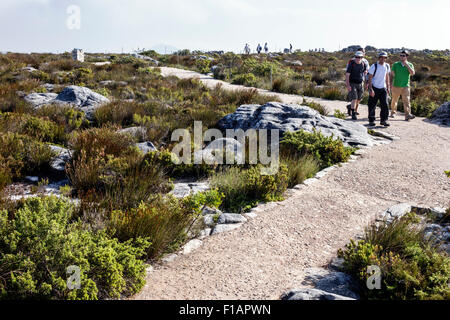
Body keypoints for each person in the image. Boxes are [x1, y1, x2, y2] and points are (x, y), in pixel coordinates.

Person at [390, 50, 415, 121]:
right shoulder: (395, 64)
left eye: (403, 55)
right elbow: (391, 74)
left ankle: (407, 115)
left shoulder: (410, 64)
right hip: (396, 85)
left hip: (405, 86)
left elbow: (412, 73)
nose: (402, 57)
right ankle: (393, 112)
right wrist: (391, 83)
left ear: (407, 56)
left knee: (406, 100)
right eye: (400, 55)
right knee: (394, 100)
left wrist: (407, 65)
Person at [367, 51, 391, 127]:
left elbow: (387, 76)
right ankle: (371, 120)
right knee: (372, 105)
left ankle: (384, 120)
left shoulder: (387, 66)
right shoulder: (374, 66)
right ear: (379, 58)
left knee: (385, 105)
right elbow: (370, 78)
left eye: (384, 57)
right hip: (374, 87)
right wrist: (371, 89)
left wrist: (388, 87)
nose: (383, 59)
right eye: (381, 57)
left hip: (383, 88)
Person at [346, 47, 370, 116]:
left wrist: (367, 82)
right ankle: (353, 112)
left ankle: (351, 107)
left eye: (362, 52)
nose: (359, 58)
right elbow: (347, 73)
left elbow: (367, 71)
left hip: (361, 81)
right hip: (353, 82)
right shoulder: (351, 62)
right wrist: (348, 84)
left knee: (359, 98)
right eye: (357, 56)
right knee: (354, 98)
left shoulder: (365, 62)